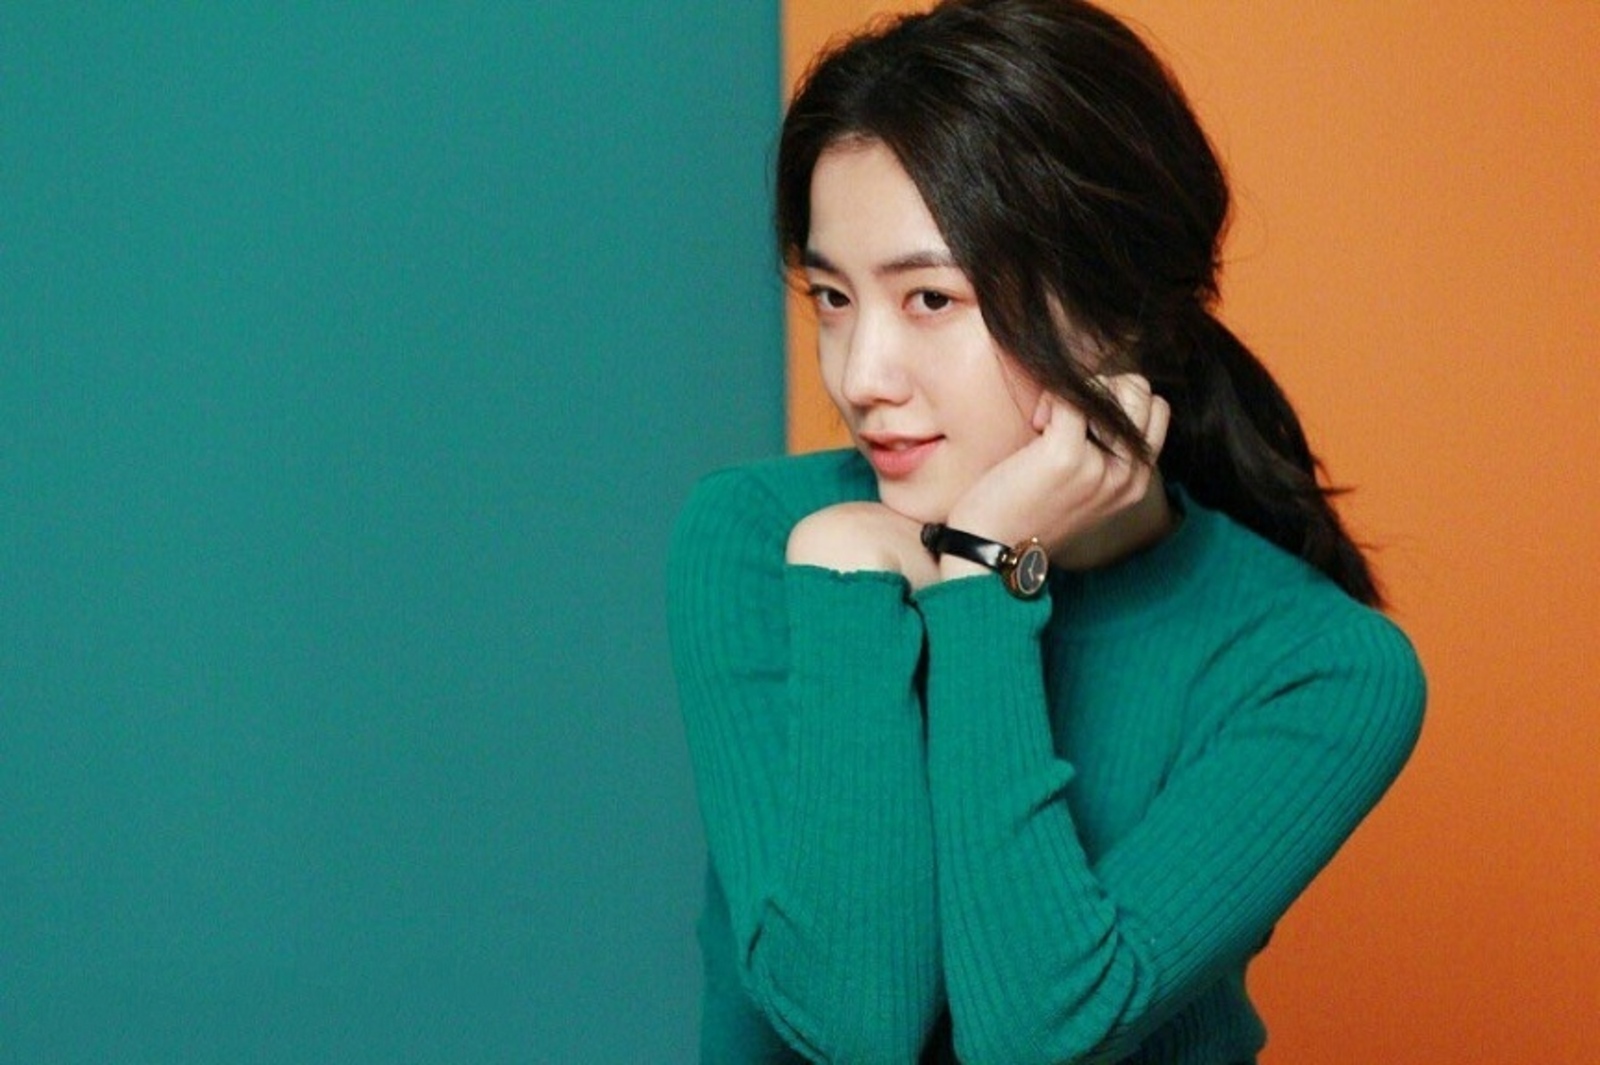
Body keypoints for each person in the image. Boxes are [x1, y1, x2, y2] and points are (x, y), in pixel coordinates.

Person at [667, 1, 1426, 1061]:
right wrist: (848, 575)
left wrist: (983, 577)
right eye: (833, 296)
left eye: (931, 299)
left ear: (1120, 314)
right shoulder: (761, 538)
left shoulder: (1318, 666)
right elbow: (853, 1023)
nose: (860, 376)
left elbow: (1033, 1034)